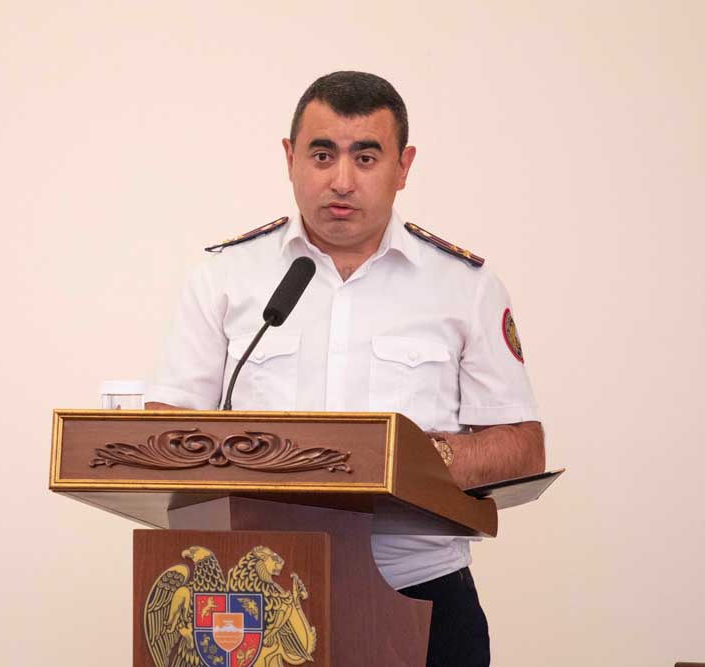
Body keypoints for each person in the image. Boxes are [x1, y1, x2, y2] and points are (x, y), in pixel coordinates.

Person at [145, 70, 544, 666]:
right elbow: (164, 430)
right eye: (322, 154)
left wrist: (416, 458)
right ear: (290, 158)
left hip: (421, 592)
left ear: (403, 167)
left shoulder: (466, 287)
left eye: (366, 156)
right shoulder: (224, 277)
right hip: (251, 598)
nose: (341, 180)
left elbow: (521, 446)